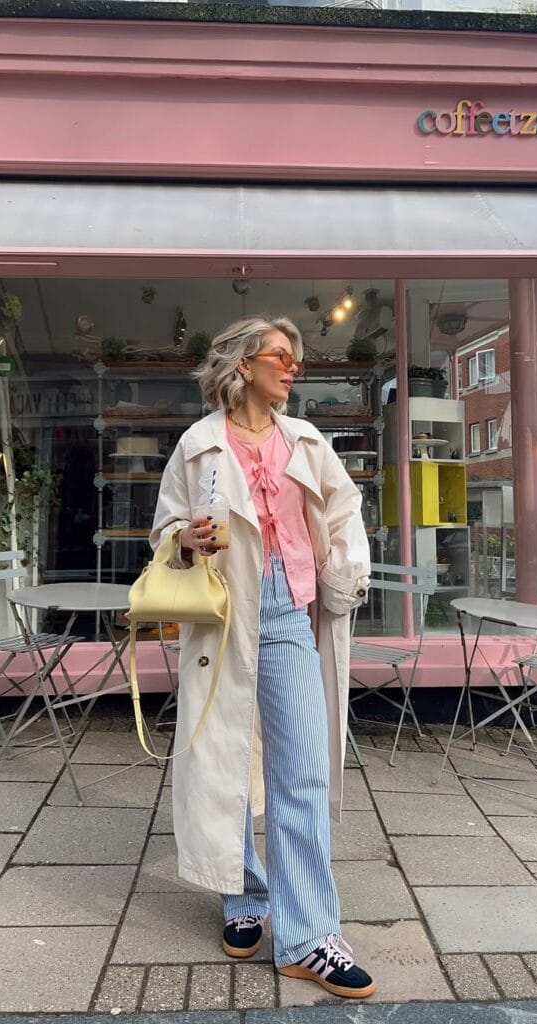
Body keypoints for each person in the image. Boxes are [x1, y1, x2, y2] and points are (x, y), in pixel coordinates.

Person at [149, 315, 375, 999]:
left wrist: (342, 575)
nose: (293, 367)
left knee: (301, 770)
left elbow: (343, 514)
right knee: (224, 762)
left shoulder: (305, 440)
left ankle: (307, 938)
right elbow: (164, 529)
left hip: (286, 616)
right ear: (243, 364)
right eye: (282, 356)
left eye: (295, 358)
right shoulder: (198, 445)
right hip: (224, 616)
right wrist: (184, 537)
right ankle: (244, 893)